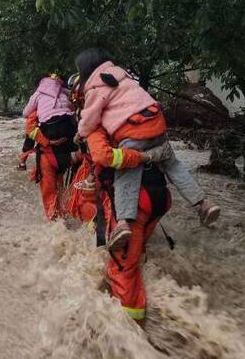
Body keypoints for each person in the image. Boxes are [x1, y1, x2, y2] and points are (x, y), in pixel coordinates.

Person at [73, 48, 220, 251]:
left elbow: (90, 122)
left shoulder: (95, 87)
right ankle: (203, 203)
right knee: (173, 164)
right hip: (157, 126)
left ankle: (123, 223)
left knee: (126, 176)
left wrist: (81, 133)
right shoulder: (123, 76)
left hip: (132, 133)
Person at [68, 126, 172, 325]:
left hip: (132, 202)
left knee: (123, 268)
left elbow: (103, 158)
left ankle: (130, 326)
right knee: (136, 253)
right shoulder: (148, 124)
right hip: (160, 196)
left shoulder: (99, 125)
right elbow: (173, 165)